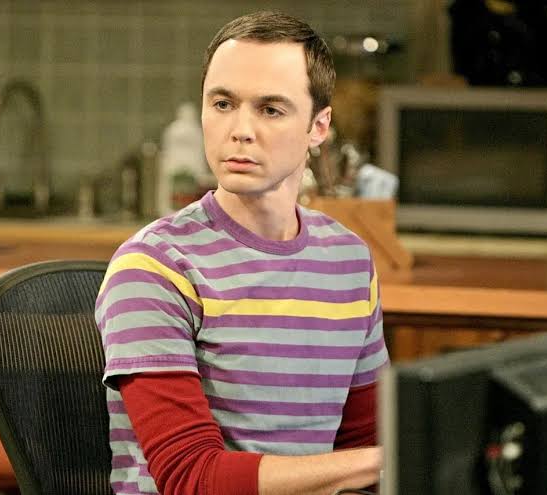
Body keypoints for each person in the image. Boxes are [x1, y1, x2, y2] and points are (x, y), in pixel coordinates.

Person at [95, 10, 388, 495]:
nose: (240, 130)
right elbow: (191, 479)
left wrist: (390, 458)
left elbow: (365, 449)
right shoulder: (153, 267)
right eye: (223, 103)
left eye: (270, 109)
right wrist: (387, 458)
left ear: (318, 126)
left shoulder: (348, 262)